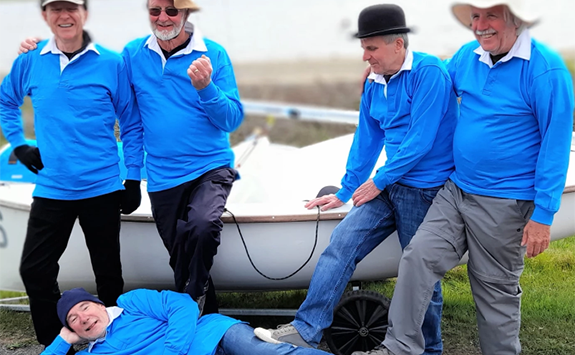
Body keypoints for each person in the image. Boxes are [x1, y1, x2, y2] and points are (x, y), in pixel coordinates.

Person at [351, 1, 575, 355]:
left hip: (506, 202)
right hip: (457, 190)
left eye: (491, 16)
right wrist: (385, 71)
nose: (480, 25)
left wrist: (543, 215)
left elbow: (556, 144)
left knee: (493, 293)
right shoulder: (469, 55)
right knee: (417, 259)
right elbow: (434, 75)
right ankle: (399, 348)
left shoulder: (546, 70)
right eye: (475, 17)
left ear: (515, 19)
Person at [254, 5, 457, 355]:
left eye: (372, 48)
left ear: (398, 44)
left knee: (420, 276)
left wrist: (378, 181)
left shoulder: (430, 74)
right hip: (390, 185)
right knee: (341, 244)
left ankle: (429, 349)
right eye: (363, 48)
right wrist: (347, 189)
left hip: (425, 190)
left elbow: (420, 142)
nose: (365, 56)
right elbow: (367, 139)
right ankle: (306, 329)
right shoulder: (375, 81)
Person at [18, 0, 243, 315]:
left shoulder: (213, 54)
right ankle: (203, 318)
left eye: (171, 11)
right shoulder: (133, 54)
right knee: (179, 255)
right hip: (163, 175)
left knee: (203, 225)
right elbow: (125, 112)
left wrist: (206, 88)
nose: (163, 18)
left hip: (210, 166)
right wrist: (38, 47)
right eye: (155, 11)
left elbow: (231, 120)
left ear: (187, 13)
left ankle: (195, 306)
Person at [0, 0, 144, 349]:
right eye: (55, 9)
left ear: (85, 13)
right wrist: (19, 144)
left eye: (71, 8)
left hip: (102, 187)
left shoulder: (112, 62)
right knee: (35, 270)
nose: (64, 16)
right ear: (45, 15)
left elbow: (132, 121)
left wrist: (134, 178)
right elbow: (7, 101)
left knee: (108, 273)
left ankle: (112, 341)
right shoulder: (30, 60)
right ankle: (56, 342)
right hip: (52, 188)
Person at [41, 287, 330, 355]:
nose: (83, 318)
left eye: (84, 307)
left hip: (213, 335)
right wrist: (62, 340)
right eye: (73, 320)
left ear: (99, 304)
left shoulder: (130, 302)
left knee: (269, 352)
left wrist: (171, 351)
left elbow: (182, 305)